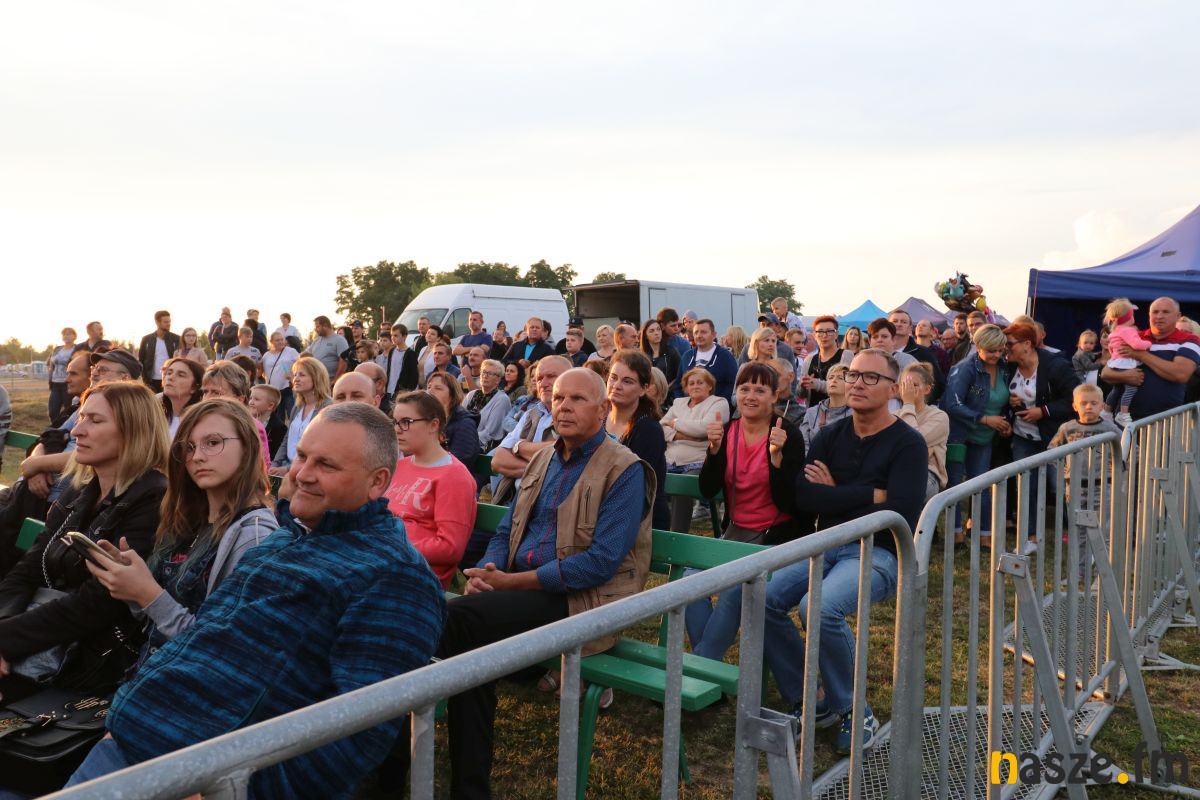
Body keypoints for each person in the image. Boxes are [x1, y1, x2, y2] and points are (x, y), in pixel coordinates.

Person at [68, 403, 446, 798]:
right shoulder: (286, 537)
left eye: (326, 465)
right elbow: (203, 635)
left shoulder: (395, 576)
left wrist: (234, 790)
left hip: (197, 779)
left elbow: (358, 733)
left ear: (377, 481)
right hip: (131, 739)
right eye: (302, 456)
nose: (302, 474)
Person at [431, 368, 653, 798]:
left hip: (581, 602)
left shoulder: (624, 468)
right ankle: (468, 788)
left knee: (453, 623)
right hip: (521, 592)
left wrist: (512, 582)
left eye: (577, 399)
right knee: (470, 645)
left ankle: (390, 753)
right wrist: (490, 571)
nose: (563, 406)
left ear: (603, 410)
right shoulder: (543, 458)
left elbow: (599, 564)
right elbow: (506, 531)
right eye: (559, 398)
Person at [764, 348, 927, 755]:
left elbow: (899, 512)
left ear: (893, 389)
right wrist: (866, 494)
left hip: (879, 551)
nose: (857, 383)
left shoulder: (909, 443)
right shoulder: (829, 435)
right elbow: (805, 497)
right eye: (853, 375)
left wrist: (835, 493)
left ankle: (855, 710)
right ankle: (811, 698)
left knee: (818, 608)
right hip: (826, 544)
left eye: (871, 377)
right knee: (763, 598)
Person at [0, 383, 168, 728]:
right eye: (81, 418)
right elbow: (29, 568)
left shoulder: (152, 500)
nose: (77, 430)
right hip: (41, 640)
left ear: (132, 431)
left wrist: (6, 640)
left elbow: (97, 603)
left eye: (95, 420)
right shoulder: (82, 491)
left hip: (87, 661)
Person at [83, 399, 277, 683]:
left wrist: (148, 594)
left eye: (213, 442)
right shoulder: (187, 521)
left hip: (188, 693)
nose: (197, 456)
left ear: (247, 447)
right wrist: (130, 584)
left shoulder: (254, 535)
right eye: (189, 447)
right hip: (145, 676)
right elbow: (155, 621)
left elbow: (223, 652)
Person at [687, 362, 805, 660]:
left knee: (735, 589)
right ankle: (706, 663)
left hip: (776, 540)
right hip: (736, 534)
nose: (751, 396)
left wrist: (776, 459)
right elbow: (707, 489)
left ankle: (701, 666)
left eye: (760, 390)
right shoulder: (728, 431)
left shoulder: (787, 434)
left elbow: (791, 502)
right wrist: (714, 450)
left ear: (774, 396)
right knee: (689, 579)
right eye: (744, 388)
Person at [386, 391, 478, 588]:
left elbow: (450, 547)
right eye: (395, 422)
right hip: (384, 561)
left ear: (433, 425)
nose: (397, 430)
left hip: (416, 576)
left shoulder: (454, 476)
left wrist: (392, 547)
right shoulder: (400, 466)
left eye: (406, 422)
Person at [1003, 321, 1080, 537]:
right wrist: (1011, 401)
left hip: (1055, 437)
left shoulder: (1055, 366)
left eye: (1010, 344)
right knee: (1027, 486)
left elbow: (1076, 398)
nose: (1005, 349)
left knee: (1060, 486)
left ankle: (1077, 532)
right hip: (1023, 436)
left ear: (1027, 344)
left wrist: (1043, 411)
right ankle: (1030, 536)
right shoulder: (1009, 366)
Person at [943, 324, 1012, 546]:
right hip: (958, 434)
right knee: (954, 484)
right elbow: (953, 404)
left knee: (982, 484)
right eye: (991, 350)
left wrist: (1005, 421)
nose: (996, 355)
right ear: (978, 346)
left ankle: (983, 534)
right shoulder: (964, 368)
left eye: (1000, 350)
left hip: (985, 437)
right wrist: (984, 419)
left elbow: (1003, 399)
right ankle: (955, 533)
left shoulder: (1004, 368)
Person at [1048, 384, 1123, 582]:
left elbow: (1129, 449)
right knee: (1078, 531)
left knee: (1104, 531)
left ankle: (1103, 572)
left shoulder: (1109, 429)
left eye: (1094, 403)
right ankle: (1080, 571)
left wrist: (1118, 463)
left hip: (1102, 487)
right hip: (1074, 488)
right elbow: (1052, 451)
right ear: (1075, 406)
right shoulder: (1067, 428)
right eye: (1083, 403)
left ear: (1102, 405)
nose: (1089, 407)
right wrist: (1062, 467)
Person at [490, 356, 570, 504]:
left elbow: (563, 453)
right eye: (539, 378)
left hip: (550, 504)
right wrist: (542, 470)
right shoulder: (531, 414)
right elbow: (498, 460)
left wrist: (519, 447)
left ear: (569, 378)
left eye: (551, 376)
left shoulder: (575, 415)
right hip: (515, 501)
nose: (543, 383)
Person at [606, 350, 670, 530]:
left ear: (643, 389)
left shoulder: (648, 430)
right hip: (603, 515)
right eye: (613, 378)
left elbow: (632, 487)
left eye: (627, 381)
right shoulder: (597, 421)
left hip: (641, 523)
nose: (616, 385)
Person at [661, 368, 729, 531]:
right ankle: (654, 531)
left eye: (700, 382)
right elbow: (660, 428)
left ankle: (676, 536)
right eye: (691, 383)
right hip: (669, 460)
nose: (695, 386)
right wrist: (687, 436)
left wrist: (675, 423)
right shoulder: (678, 403)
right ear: (686, 388)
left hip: (698, 462)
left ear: (710, 386)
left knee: (682, 484)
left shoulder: (719, 403)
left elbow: (705, 428)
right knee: (649, 477)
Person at [270, 356, 332, 476]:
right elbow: (287, 438)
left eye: (302, 375)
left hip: (308, 471)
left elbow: (320, 447)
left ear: (316, 378)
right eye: (295, 375)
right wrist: (275, 464)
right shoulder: (298, 406)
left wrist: (288, 469)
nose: (296, 379)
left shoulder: (327, 407)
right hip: (287, 466)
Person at [896, 363, 949, 501]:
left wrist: (908, 404)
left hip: (926, 474)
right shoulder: (894, 415)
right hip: (896, 470)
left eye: (914, 385)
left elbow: (912, 441)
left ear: (927, 389)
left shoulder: (939, 416)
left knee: (903, 491)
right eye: (905, 385)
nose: (908, 390)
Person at [1099, 299, 1153, 426]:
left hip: (1116, 362)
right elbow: (1136, 344)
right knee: (1131, 388)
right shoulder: (1128, 330)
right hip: (1125, 363)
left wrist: (1115, 358)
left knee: (1117, 389)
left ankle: (1106, 412)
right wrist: (1148, 344)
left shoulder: (1115, 331)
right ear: (1128, 317)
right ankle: (1123, 414)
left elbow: (1111, 348)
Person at [673, 319, 738, 403]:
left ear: (714, 335)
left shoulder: (725, 357)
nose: (699, 336)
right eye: (696, 332)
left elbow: (733, 384)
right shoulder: (687, 357)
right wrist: (684, 403)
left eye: (703, 332)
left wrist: (719, 403)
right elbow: (678, 384)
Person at [888, 308, 945, 401]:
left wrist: (921, 403)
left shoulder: (924, 353)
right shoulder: (879, 352)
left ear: (910, 329)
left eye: (903, 322)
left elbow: (937, 384)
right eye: (895, 321)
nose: (898, 324)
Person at [427, 371, 478, 470]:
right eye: (429, 387)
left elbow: (461, 460)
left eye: (438, 388)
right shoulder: (428, 420)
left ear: (452, 394)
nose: (430, 391)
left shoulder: (464, 423)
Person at [800, 315, 854, 407]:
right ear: (814, 335)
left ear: (836, 334)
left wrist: (817, 384)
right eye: (820, 331)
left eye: (829, 331)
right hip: (813, 412)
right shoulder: (809, 359)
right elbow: (801, 395)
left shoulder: (846, 355)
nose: (824, 335)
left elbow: (848, 387)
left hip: (839, 411)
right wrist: (803, 386)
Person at [800, 363, 852, 450]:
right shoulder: (811, 412)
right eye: (830, 377)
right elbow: (803, 445)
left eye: (840, 378)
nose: (834, 380)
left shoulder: (855, 414)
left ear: (850, 385)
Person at [463, 359, 511, 453]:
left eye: (490, 373)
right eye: (483, 372)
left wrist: (465, 438)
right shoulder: (471, 394)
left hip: (484, 447)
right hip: (464, 440)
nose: (485, 376)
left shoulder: (502, 399)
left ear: (498, 379)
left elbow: (490, 433)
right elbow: (459, 419)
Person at [159, 357, 205, 440]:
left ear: (194, 387)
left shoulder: (200, 422)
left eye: (180, 375)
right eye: (169, 373)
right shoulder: (156, 416)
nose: (170, 377)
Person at [260, 331, 301, 421]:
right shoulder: (266, 355)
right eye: (277, 340)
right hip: (274, 391)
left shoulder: (291, 351)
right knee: (278, 418)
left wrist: (294, 375)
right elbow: (261, 371)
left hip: (288, 388)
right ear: (271, 342)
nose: (280, 342)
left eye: (282, 339)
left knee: (292, 414)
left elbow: (301, 364)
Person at [137, 310, 181, 393]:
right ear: (157, 322)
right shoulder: (146, 339)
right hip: (151, 380)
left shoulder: (176, 339)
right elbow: (141, 360)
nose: (169, 324)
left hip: (170, 378)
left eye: (169, 321)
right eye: (166, 322)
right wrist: (145, 378)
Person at [46, 328, 78, 422]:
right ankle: (55, 428)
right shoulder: (57, 349)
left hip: (68, 383)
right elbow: (50, 364)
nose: (66, 336)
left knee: (68, 410)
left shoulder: (77, 349)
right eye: (64, 334)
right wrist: (50, 378)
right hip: (55, 383)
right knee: (53, 411)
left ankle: (67, 428)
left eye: (69, 334)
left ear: (74, 336)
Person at [380, 323, 419, 396]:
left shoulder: (410, 354)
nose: (393, 338)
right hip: (389, 391)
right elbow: (389, 371)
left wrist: (407, 392)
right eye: (392, 335)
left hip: (402, 392)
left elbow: (414, 377)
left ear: (404, 336)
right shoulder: (392, 351)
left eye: (396, 335)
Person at [249, 383, 286, 458]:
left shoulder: (278, 428)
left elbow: (276, 454)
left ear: (270, 406)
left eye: (256, 399)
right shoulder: (247, 421)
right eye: (250, 398)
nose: (251, 402)